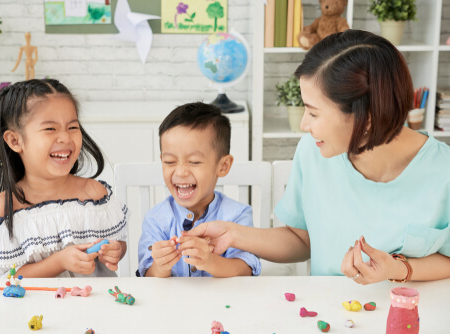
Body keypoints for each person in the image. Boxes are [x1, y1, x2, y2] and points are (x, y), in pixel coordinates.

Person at [183, 30, 450, 284]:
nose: (303, 124)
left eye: (314, 113)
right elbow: (301, 239)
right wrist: (233, 234)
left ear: (366, 117)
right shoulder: (313, 151)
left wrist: (398, 269)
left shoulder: (443, 171)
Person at [0, 79, 128, 278]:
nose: (66, 138)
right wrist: (59, 262)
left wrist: (115, 251)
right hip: (34, 309)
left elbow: (118, 244)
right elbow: (5, 279)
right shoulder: (6, 207)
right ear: (15, 140)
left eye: (72, 127)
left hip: (94, 305)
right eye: (50, 129)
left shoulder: (94, 194)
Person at [137, 102, 261, 277]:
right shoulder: (156, 219)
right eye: (170, 162)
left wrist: (210, 261)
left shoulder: (238, 215)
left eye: (194, 162)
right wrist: (161, 265)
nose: (180, 171)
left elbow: (245, 270)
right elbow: (149, 276)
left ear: (223, 166)